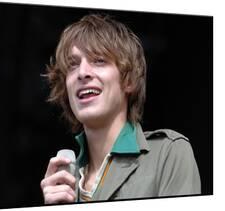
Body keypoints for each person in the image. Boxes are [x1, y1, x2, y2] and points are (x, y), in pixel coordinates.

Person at [40, 14, 201, 204]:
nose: (82, 73)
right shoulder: (64, 182)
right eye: (73, 65)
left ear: (129, 80)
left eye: (99, 60)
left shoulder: (169, 154)